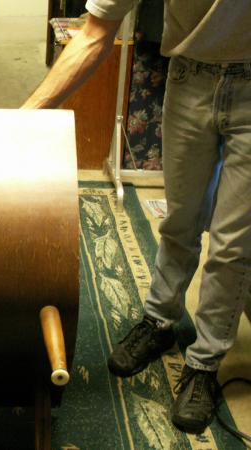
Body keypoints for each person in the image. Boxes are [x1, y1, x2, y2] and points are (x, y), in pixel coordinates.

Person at [22, 0, 251, 435]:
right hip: (190, 76)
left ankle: (203, 364)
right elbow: (95, 33)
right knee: (181, 220)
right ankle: (159, 321)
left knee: (232, 245)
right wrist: (22, 119)